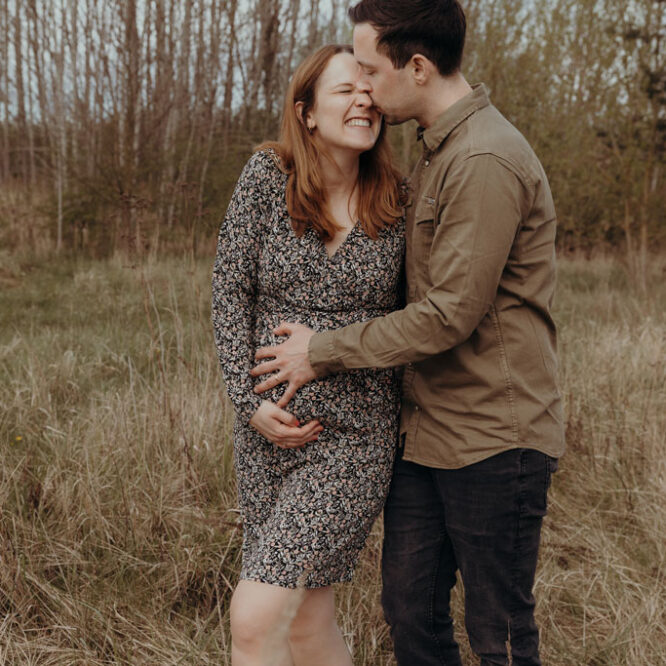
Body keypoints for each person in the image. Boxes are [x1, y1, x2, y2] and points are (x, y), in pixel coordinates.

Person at [250, 2, 566, 664]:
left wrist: (322, 352)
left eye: (369, 67)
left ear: (415, 67)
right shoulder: (431, 154)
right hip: (426, 438)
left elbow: (450, 312)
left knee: (499, 632)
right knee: (412, 616)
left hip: (493, 439)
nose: (363, 84)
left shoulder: (483, 159)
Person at [211, 44, 405, 665]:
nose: (364, 99)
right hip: (267, 434)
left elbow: (417, 321)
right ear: (307, 112)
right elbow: (228, 292)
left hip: (352, 438)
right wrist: (250, 406)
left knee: (255, 615)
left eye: (368, 88)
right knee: (303, 620)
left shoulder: (400, 200)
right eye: (345, 90)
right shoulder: (267, 177)